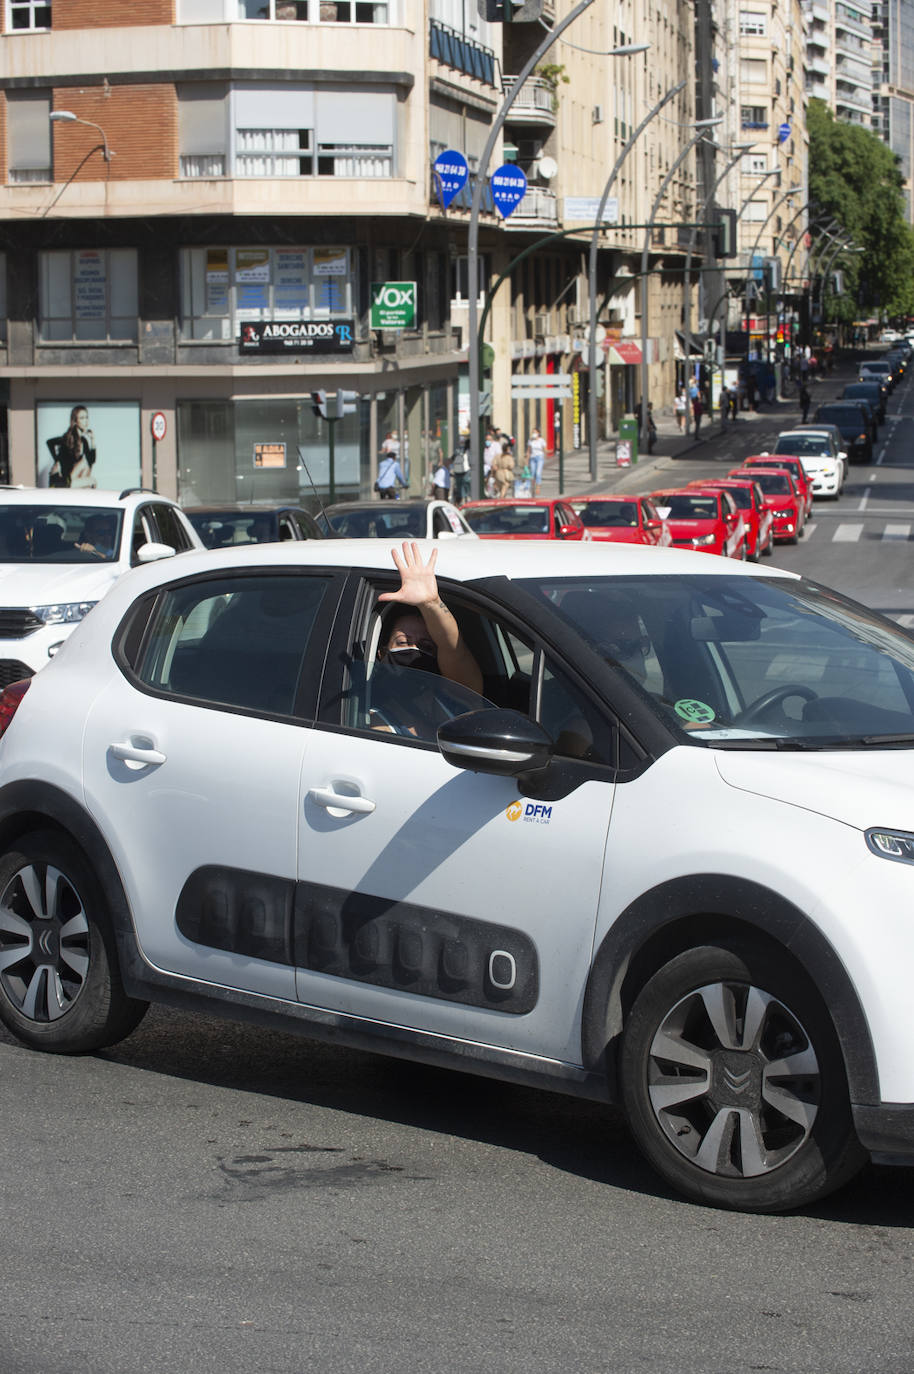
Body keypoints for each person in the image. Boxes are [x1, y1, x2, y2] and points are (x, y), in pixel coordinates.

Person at [369, 542, 484, 736]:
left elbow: (453, 647)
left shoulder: (457, 701)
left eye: (426, 646)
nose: (414, 651)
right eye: (403, 642)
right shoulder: (376, 723)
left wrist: (431, 603)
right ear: (382, 653)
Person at [46, 406, 97, 489]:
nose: (86, 421)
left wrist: (92, 440)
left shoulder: (83, 440)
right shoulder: (68, 438)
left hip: (70, 479)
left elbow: (91, 461)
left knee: (87, 467)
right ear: (75, 421)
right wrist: (57, 461)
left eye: (86, 417)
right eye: (82, 418)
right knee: (92, 480)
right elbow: (50, 442)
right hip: (60, 481)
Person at [449, 438, 471, 505]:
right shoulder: (469, 451)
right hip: (466, 471)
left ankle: (460, 503)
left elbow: (451, 460)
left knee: (460, 489)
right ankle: (467, 502)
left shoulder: (457, 451)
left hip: (458, 472)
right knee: (467, 489)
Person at [526, 428, 546, 496]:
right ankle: (532, 487)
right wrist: (527, 461)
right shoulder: (530, 440)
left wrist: (546, 453)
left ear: (538, 433)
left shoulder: (541, 440)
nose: (534, 434)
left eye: (535, 432)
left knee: (538, 473)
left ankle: (538, 487)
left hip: (539, 457)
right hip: (532, 458)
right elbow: (528, 451)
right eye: (533, 432)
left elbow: (544, 450)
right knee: (532, 473)